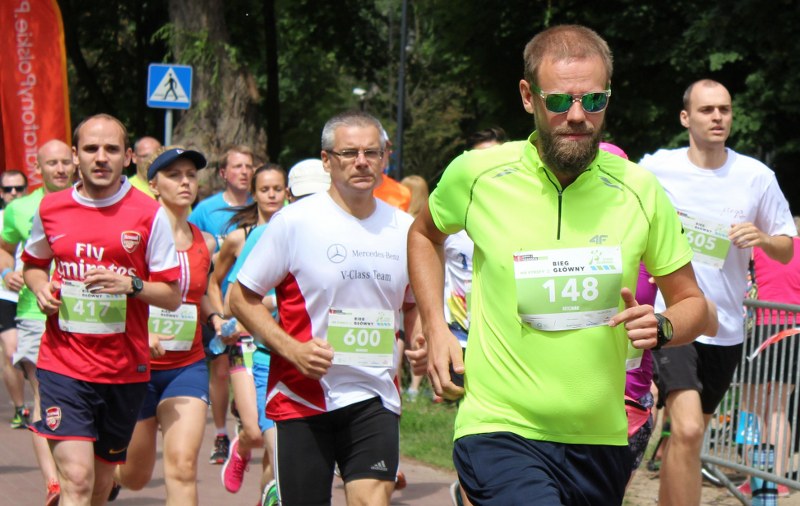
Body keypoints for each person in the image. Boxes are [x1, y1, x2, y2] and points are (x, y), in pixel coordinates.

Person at [408, 25, 711, 506]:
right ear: (528, 96)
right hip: (499, 427)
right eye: (559, 101)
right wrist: (435, 326)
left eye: (593, 101)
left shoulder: (640, 189)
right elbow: (424, 234)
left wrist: (662, 325)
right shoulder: (477, 174)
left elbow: (695, 305)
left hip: (600, 439)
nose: (577, 116)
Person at [229, 110, 427, 506]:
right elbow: (239, 297)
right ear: (326, 160)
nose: (361, 162)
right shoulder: (293, 222)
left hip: (374, 394)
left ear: (384, 159)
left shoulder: (405, 228)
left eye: (372, 152)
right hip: (302, 396)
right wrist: (292, 349)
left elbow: (413, 303)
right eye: (349, 153)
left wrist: (420, 338)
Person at [639, 79, 796, 506]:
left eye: (724, 109)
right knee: (688, 428)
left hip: (726, 326)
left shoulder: (756, 176)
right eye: (707, 110)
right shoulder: (656, 168)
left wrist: (763, 238)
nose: (717, 117)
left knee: (689, 438)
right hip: (675, 313)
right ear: (685, 117)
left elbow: (786, 247)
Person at [21, 113, 182, 505]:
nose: (101, 157)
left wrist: (132, 285)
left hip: (123, 369)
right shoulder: (51, 208)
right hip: (64, 364)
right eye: (91, 148)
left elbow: (172, 295)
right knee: (77, 479)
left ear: (127, 157)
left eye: (111, 149)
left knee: (99, 485)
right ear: (75, 155)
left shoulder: (149, 213)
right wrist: (40, 288)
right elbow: (34, 265)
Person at [113, 146, 226, 505]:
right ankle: (110, 473)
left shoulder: (205, 241)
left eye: (191, 175)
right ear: (154, 185)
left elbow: (197, 293)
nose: (185, 182)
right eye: (174, 175)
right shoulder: (135, 237)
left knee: (183, 466)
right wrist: (142, 332)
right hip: (137, 366)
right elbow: (115, 293)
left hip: (187, 366)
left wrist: (215, 317)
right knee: (136, 476)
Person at [219, 159, 329, 503]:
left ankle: (269, 494)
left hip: (319, 362)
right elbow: (233, 297)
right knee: (267, 441)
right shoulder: (265, 234)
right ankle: (244, 445)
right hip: (266, 353)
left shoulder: (341, 235)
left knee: (278, 458)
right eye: (304, 197)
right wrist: (268, 304)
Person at [0, 140, 75, 504]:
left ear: (74, 163)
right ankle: (54, 482)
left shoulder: (91, 202)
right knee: (44, 394)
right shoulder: (20, 208)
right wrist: (7, 272)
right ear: (39, 168)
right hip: (35, 313)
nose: (60, 169)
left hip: (86, 317)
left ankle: (89, 468)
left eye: (65, 162)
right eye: (52, 163)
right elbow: (4, 247)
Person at [209, 164, 286, 498]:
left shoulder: (297, 232)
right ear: (253, 194)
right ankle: (241, 447)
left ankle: (268, 496)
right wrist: (219, 317)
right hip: (245, 338)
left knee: (276, 437)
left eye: (277, 189)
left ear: (287, 192)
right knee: (255, 432)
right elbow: (220, 288)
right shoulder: (243, 237)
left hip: (282, 342)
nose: (272, 195)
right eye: (265, 189)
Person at [189, 145, 255, 465]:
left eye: (249, 166)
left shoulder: (263, 206)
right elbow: (189, 245)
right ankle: (220, 434)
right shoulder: (206, 210)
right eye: (237, 166)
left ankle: (245, 414)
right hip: (218, 301)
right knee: (219, 370)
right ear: (223, 173)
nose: (244, 172)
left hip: (254, 304)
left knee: (249, 367)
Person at [735, 217, 800, 498]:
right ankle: (778, 480)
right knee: (779, 408)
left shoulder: (755, 245)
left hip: (760, 327)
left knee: (751, 407)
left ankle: (755, 478)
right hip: (794, 329)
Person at [0, 169, 29, 430]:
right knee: (11, 351)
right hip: (5, 294)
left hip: (31, 293)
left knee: (31, 355)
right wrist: (6, 273)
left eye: (18, 188)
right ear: (1, 193)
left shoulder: (33, 214)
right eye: (8, 189)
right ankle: (20, 408)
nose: (13, 193)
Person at [373, 128, 411, 212]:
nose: (380, 156)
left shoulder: (402, 193)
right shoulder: (345, 190)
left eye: (383, 149)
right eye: (372, 151)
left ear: (389, 153)